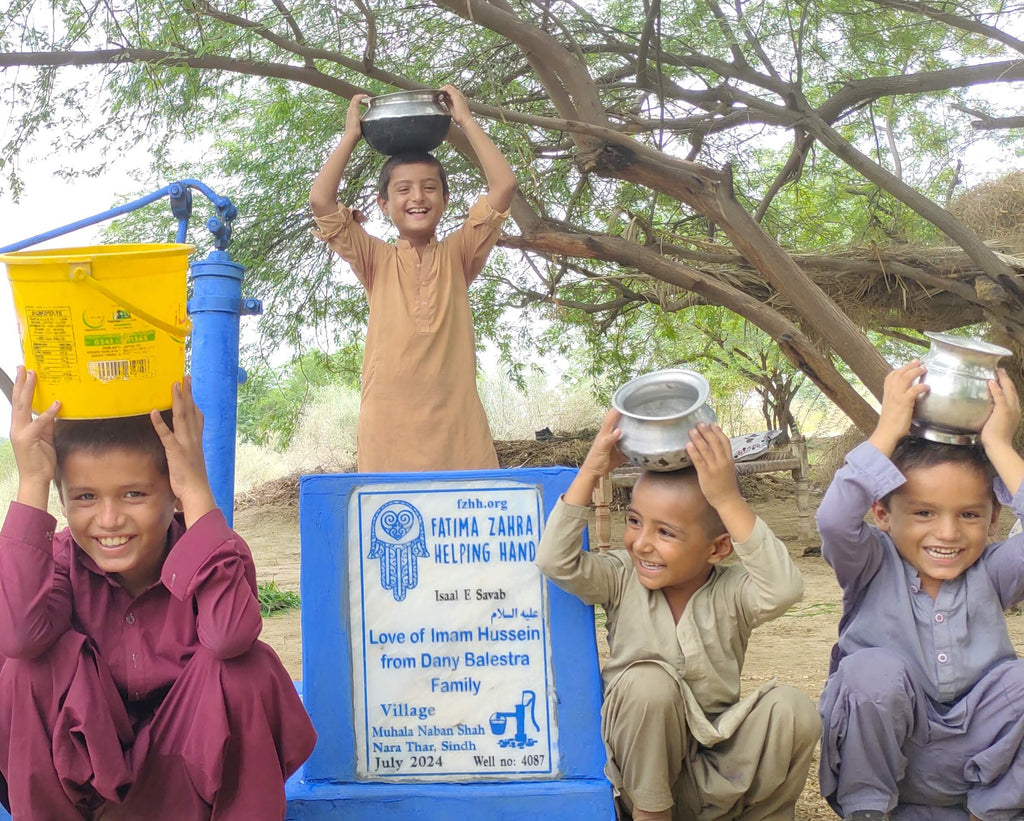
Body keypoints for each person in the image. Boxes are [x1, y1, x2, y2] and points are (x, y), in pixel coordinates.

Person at [0, 367, 317, 819]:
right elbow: (16, 636)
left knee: (247, 668)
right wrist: (31, 482)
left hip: (187, 786)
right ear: (64, 499)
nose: (108, 520)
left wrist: (196, 487)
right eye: (85, 498)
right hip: (91, 793)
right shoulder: (62, 564)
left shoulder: (208, 558)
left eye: (133, 494)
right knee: (24, 670)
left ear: (171, 494)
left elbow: (230, 634)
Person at [536, 412, 820, 821]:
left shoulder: (733, 589)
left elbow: (784, 588)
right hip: (641, 779)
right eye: (635, 522)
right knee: (648, 683)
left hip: (716, 769)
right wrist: (593, 468)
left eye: (665, 532)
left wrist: (726, 498)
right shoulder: (619, 576)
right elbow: (555, 560)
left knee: (792, 709)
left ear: (718, 549)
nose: (642, 544)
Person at [816, 360, 1024, 821]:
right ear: (883, 516)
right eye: (924, 513)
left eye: (969, 515)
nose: (947, 533)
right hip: (889, 766)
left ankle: (990, 814)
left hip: (974, 769)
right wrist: (887, 429)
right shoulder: (870, 562)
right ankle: (868, 812)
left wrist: (999, 445)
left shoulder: (993, 572)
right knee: (871, 671)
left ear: (994, 520)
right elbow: (832, 520)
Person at [309, 84, 517, 473]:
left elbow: (503, 186)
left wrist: (466, 122)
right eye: (403, 189)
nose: (417, 197)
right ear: (384, 204)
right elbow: (322, 201)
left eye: (429, 187)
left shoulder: (460, 254)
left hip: (458, 430)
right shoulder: (376, 259)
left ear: (445, 200)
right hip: (388, 432)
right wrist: (351, 135)